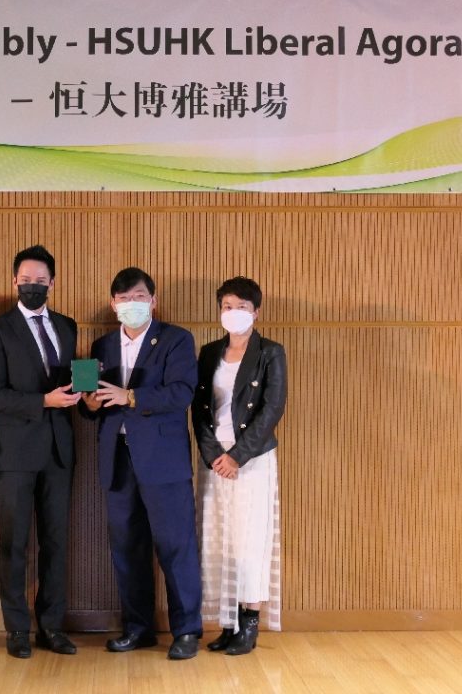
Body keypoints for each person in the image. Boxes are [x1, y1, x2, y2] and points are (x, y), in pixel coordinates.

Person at [82, 267, 202, 660]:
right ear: (113, 304)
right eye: (123, 299)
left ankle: (186, 630)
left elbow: (181, 393)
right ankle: (138, 628)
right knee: (127, 548)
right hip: (117, 461)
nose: (131, 304)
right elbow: (92, 406)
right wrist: (90, 403)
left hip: (163, 462)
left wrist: (130, 396)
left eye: (138, 297)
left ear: (153, 300)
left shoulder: (176, 339)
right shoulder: (100, 347)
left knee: (175, 546)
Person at [0, 245, 80, 659]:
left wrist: (82, 397)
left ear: (52, 283)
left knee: (56, 542)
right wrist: (43, 402)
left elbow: (73, 382)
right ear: (14, 281)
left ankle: (51, 627)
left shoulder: (67, 325)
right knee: (14, 543)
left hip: (59, 450)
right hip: (16, 452)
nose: (33, 285)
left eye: (41, 280)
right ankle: (17, 629)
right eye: (26, 279)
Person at [192, 276, 286, 655]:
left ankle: (250, 622)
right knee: (220, 541)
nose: (235, 313)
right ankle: (227, 623)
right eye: (228, 306)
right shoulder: (209, 352)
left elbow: (272, 408)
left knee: (250, 540)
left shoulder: (270, 352)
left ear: (256, 312)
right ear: (220, 311)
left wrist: (237, 456)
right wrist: (215, 454)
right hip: (215, 460)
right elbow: (198, 408)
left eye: (243, 307)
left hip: (251, 459)